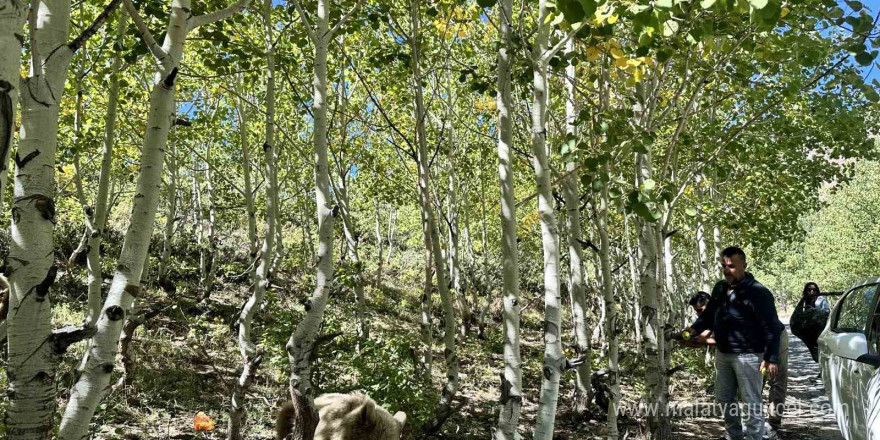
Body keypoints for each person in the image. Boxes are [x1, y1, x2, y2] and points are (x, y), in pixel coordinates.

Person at [683, 246, 785, 440]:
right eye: (723, 266)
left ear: (744, 266)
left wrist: (771, 358)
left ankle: (755, 437)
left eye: (731, 266)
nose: (726, 270)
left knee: (751, 403)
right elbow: (708, 315)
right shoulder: (720, 288)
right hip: (723, 354)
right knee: (724, 398)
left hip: (749, 356)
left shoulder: (759, 292)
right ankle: (733, 436)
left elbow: (772, 327)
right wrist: (693, 329)